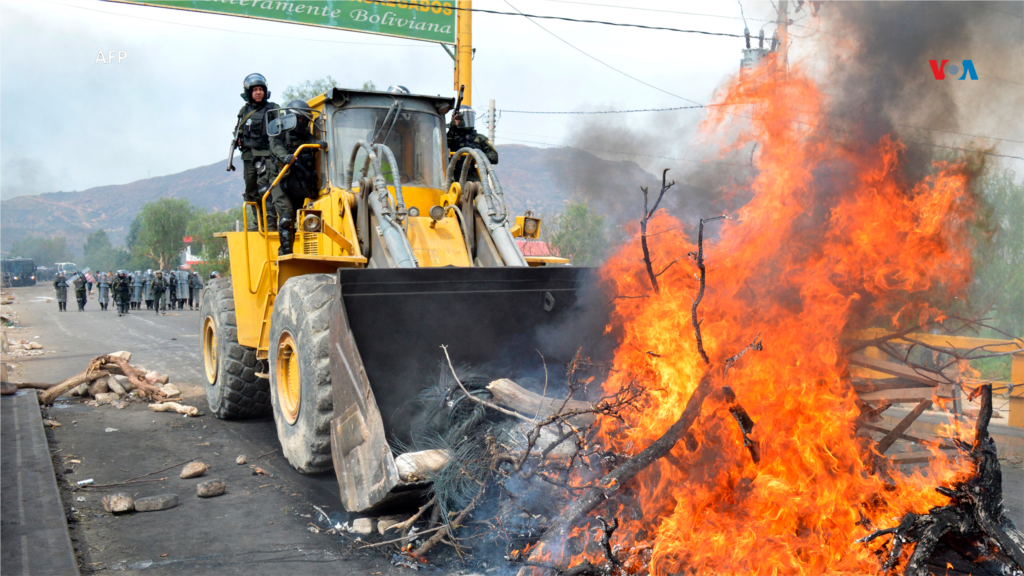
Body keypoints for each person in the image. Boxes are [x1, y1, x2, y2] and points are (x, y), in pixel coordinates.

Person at [269, 99, 324, 255]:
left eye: (304, 119)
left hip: (298, 181)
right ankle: (286, 253)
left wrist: (319, 144)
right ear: (291, 118)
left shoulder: (305, 134)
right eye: (299, 118)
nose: (302, 122)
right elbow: (275, 146)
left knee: (299, 219)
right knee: (286, 218)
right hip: (280, 180)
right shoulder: (278, 131)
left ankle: (298, 251)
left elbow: (311, 140)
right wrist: (284, 156)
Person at [235, 73, 280, 232]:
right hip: (249, 156)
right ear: (249, 92)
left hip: (267, 155)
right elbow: (239, 130)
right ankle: (258, 222)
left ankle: (270, 222)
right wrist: (238, 137)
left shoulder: (273, 108)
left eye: (261, 89)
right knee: (251, 189)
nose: (259, 92)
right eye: (255, 90)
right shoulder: (244, 111)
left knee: (265, 188)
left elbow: (279, 130)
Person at [446, 106, 498, 180]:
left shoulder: (480, 138)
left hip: (474, 181)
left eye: (468, 118)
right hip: (452, 179)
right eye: (458, 119)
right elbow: (441, 151)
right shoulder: (449, 138)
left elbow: (494, 158)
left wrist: (477, 157)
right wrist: (452, 129)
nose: (464, 121)